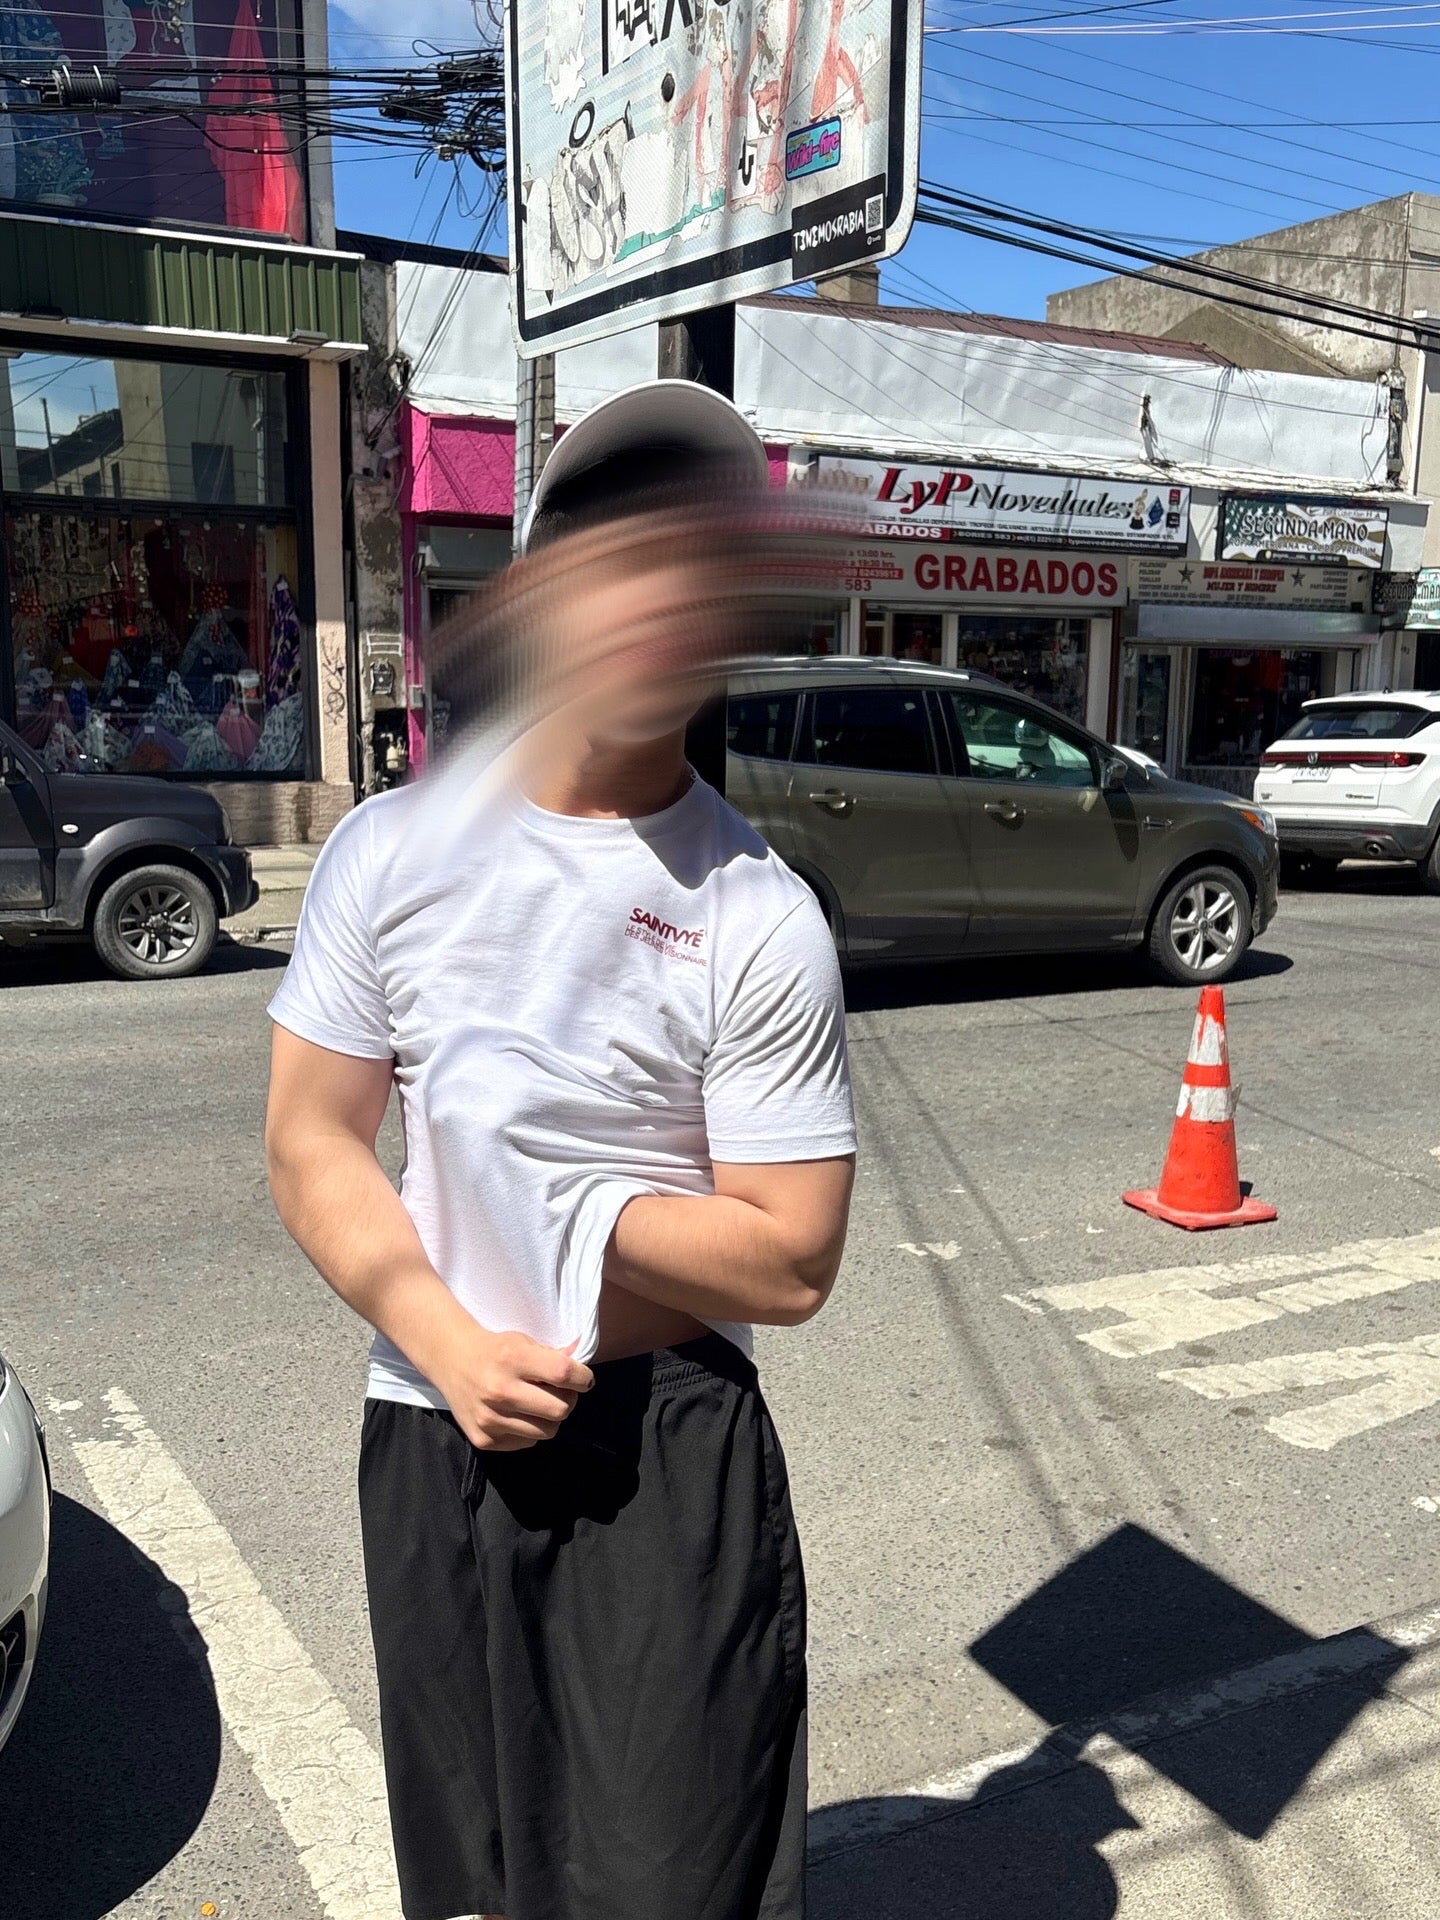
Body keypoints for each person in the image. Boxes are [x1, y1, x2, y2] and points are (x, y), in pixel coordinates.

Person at [264, 379, 856, 1920]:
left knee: (672, 1882)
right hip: (432, 1420)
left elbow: (792, 1258)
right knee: (476, 1873)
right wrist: (441, 1334)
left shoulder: (756, 913)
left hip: (665, 1440)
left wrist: (572, 1202)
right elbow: (311, 1138)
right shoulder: (390, 854)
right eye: (619, 561)